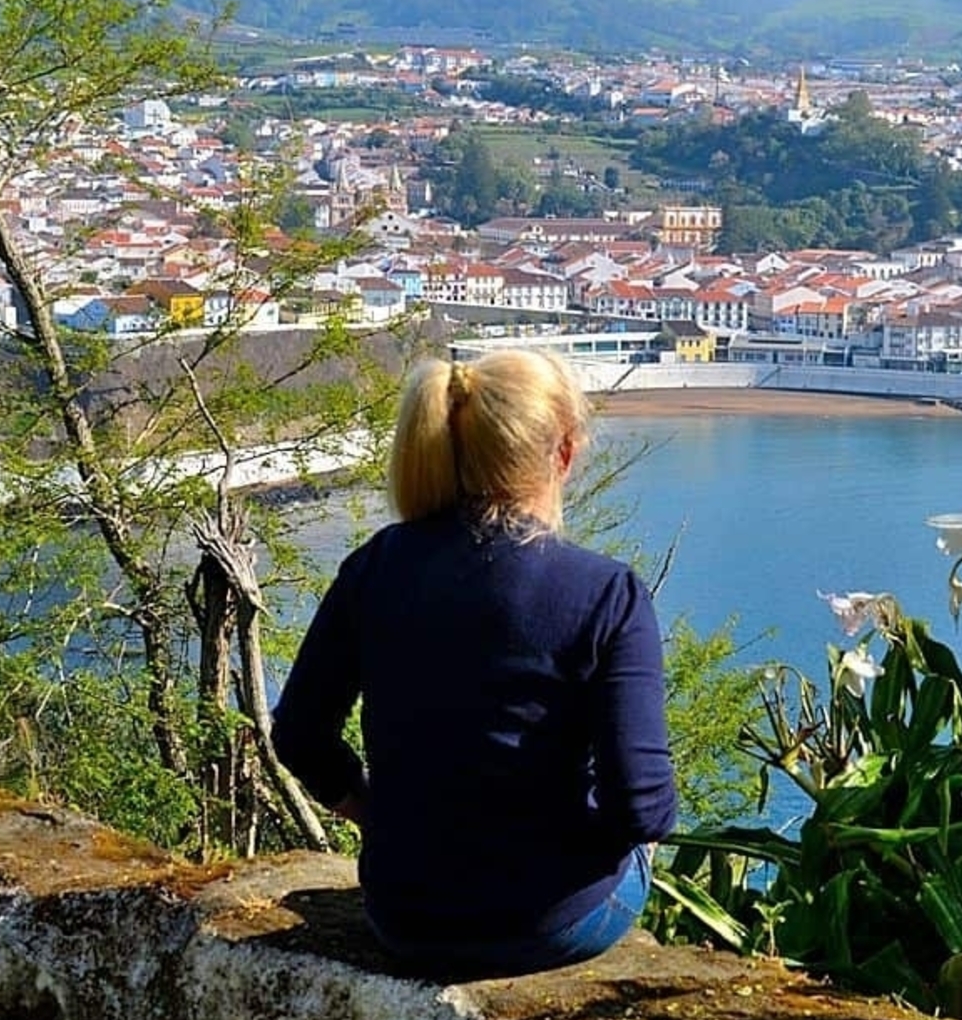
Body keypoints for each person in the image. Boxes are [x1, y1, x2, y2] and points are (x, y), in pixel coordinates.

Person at [274, 349, 677, 978]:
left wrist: (377, 817)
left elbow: (299, 735)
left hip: (403, 916)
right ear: (563, 454)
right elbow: (643, 810)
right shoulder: (606, 593)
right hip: (549, 924)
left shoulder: (374, 566)